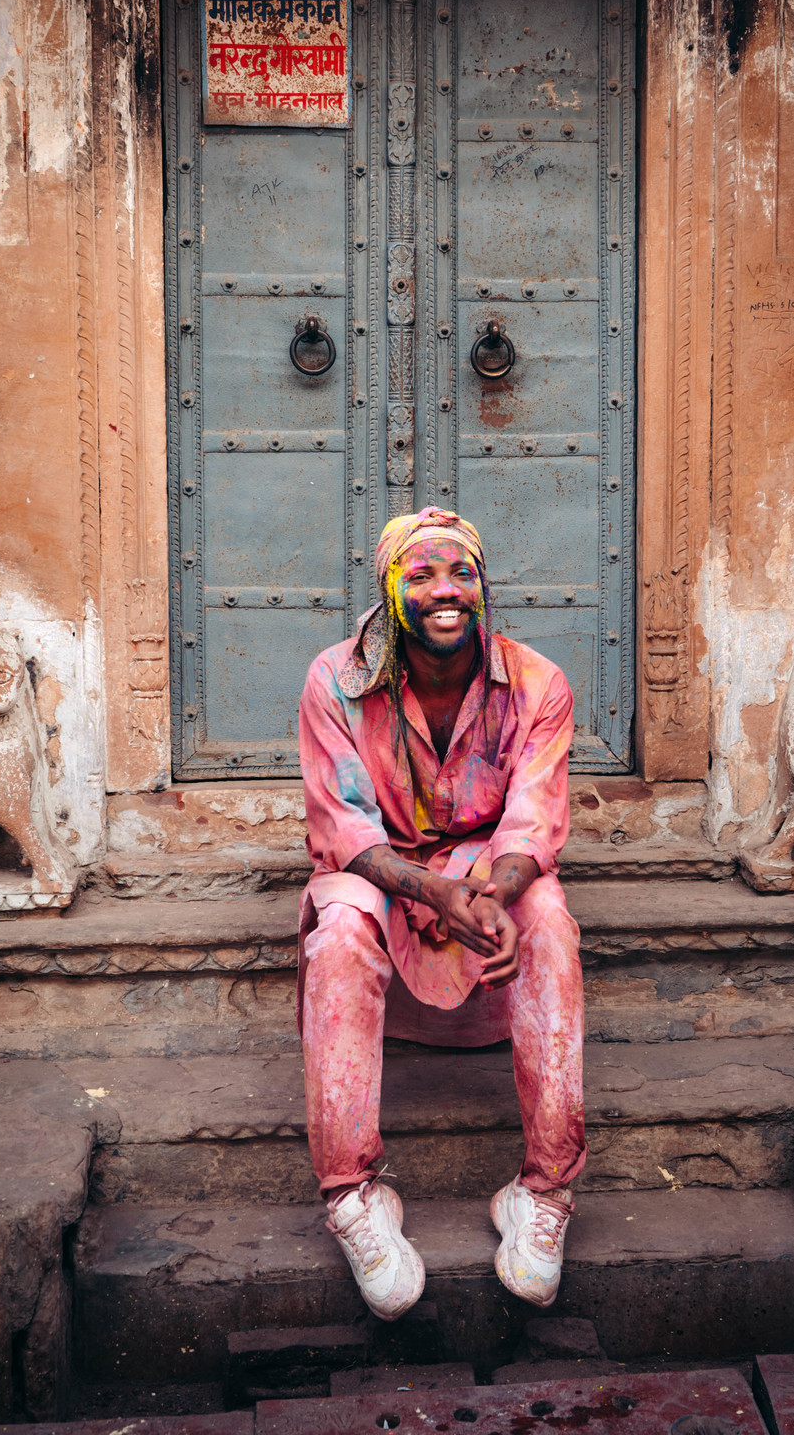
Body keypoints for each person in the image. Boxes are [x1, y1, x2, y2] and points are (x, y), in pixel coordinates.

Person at [297, 506, 585, 1321]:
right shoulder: (335, 681)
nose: (443, 591)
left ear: (482, 588)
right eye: (419, 576)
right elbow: (342, 828)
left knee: (552, 923)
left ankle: (544, 1190)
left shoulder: (538, 684)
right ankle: (354, 1195)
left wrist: (493, 895)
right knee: (341, 934)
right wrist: (432, 893)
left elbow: (534, 818)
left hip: (488, 868)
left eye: (460, 573)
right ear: (391, 592)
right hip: (379, 869)